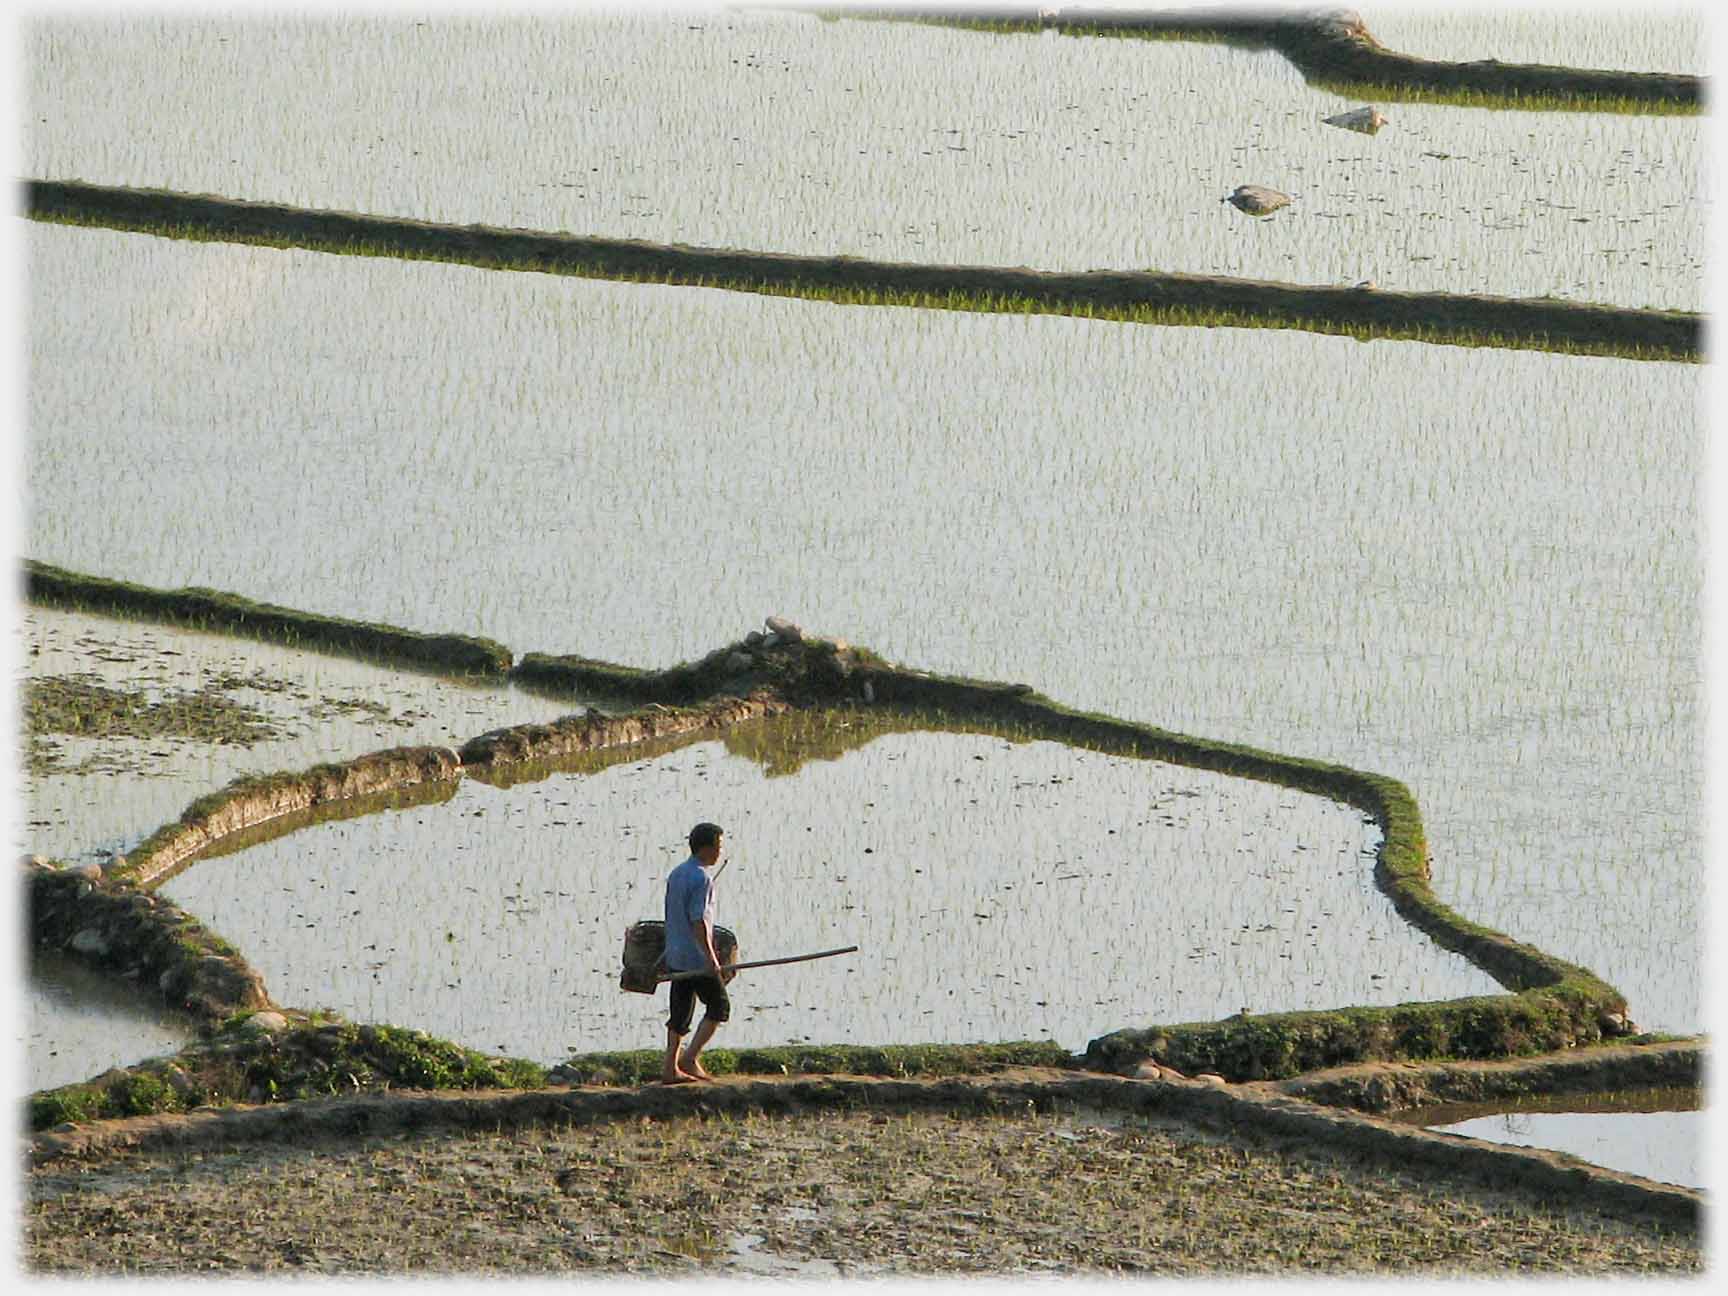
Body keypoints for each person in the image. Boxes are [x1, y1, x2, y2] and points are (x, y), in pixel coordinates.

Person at [661, 821, 732, 1084]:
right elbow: (698, 921)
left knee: (679, 1014)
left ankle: (670, 1069)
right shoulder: (702, 878)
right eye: (718, 846)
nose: (720, 852)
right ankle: (689, 1058)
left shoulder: (678, 873)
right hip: (695, 958)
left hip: (675, 955)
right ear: (705, 848)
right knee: (719, 1006)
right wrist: (712, 959)